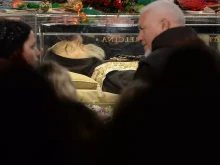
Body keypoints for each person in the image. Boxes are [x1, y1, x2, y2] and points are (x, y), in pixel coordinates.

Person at [134, 0, 201, 84]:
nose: (139, 38)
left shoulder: (152, 66)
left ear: (164, 25)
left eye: (143, 29)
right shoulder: (213, 59)